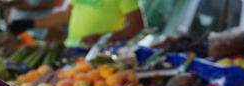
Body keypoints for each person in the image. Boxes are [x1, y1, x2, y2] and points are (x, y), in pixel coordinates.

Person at [8, 0, 147, 48]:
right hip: (71, 50)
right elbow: (64, 15)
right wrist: (29, 23)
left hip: (99, 56)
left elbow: (138, 25)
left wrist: (104, 37)